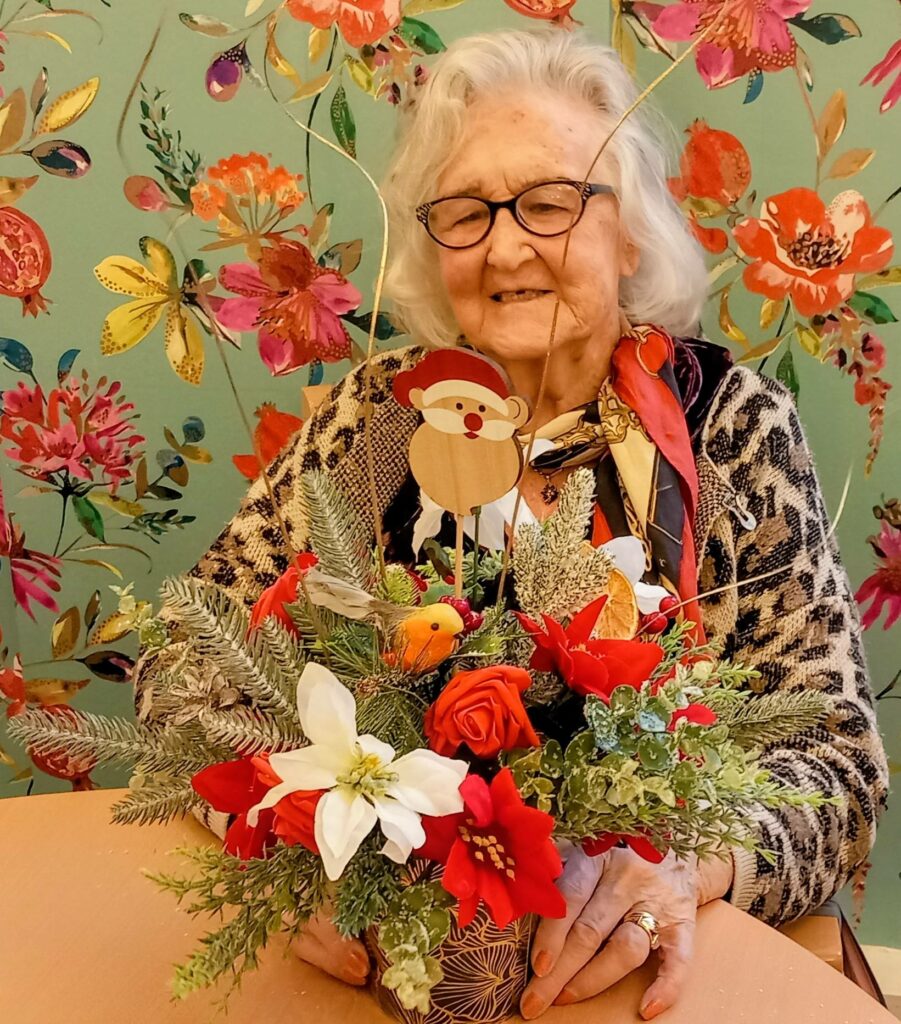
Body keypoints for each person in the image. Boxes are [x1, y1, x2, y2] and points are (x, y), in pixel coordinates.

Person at [136, 28, 888, 1021]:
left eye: (549, 202)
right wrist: (285, 831)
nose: (503, 247)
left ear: (629, 235)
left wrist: (691, 864)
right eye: (465, 213)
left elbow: (839, 763)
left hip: (642, 981)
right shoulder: (376, 419)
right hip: (390, 980)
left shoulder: (730, 427)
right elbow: (180, 667)